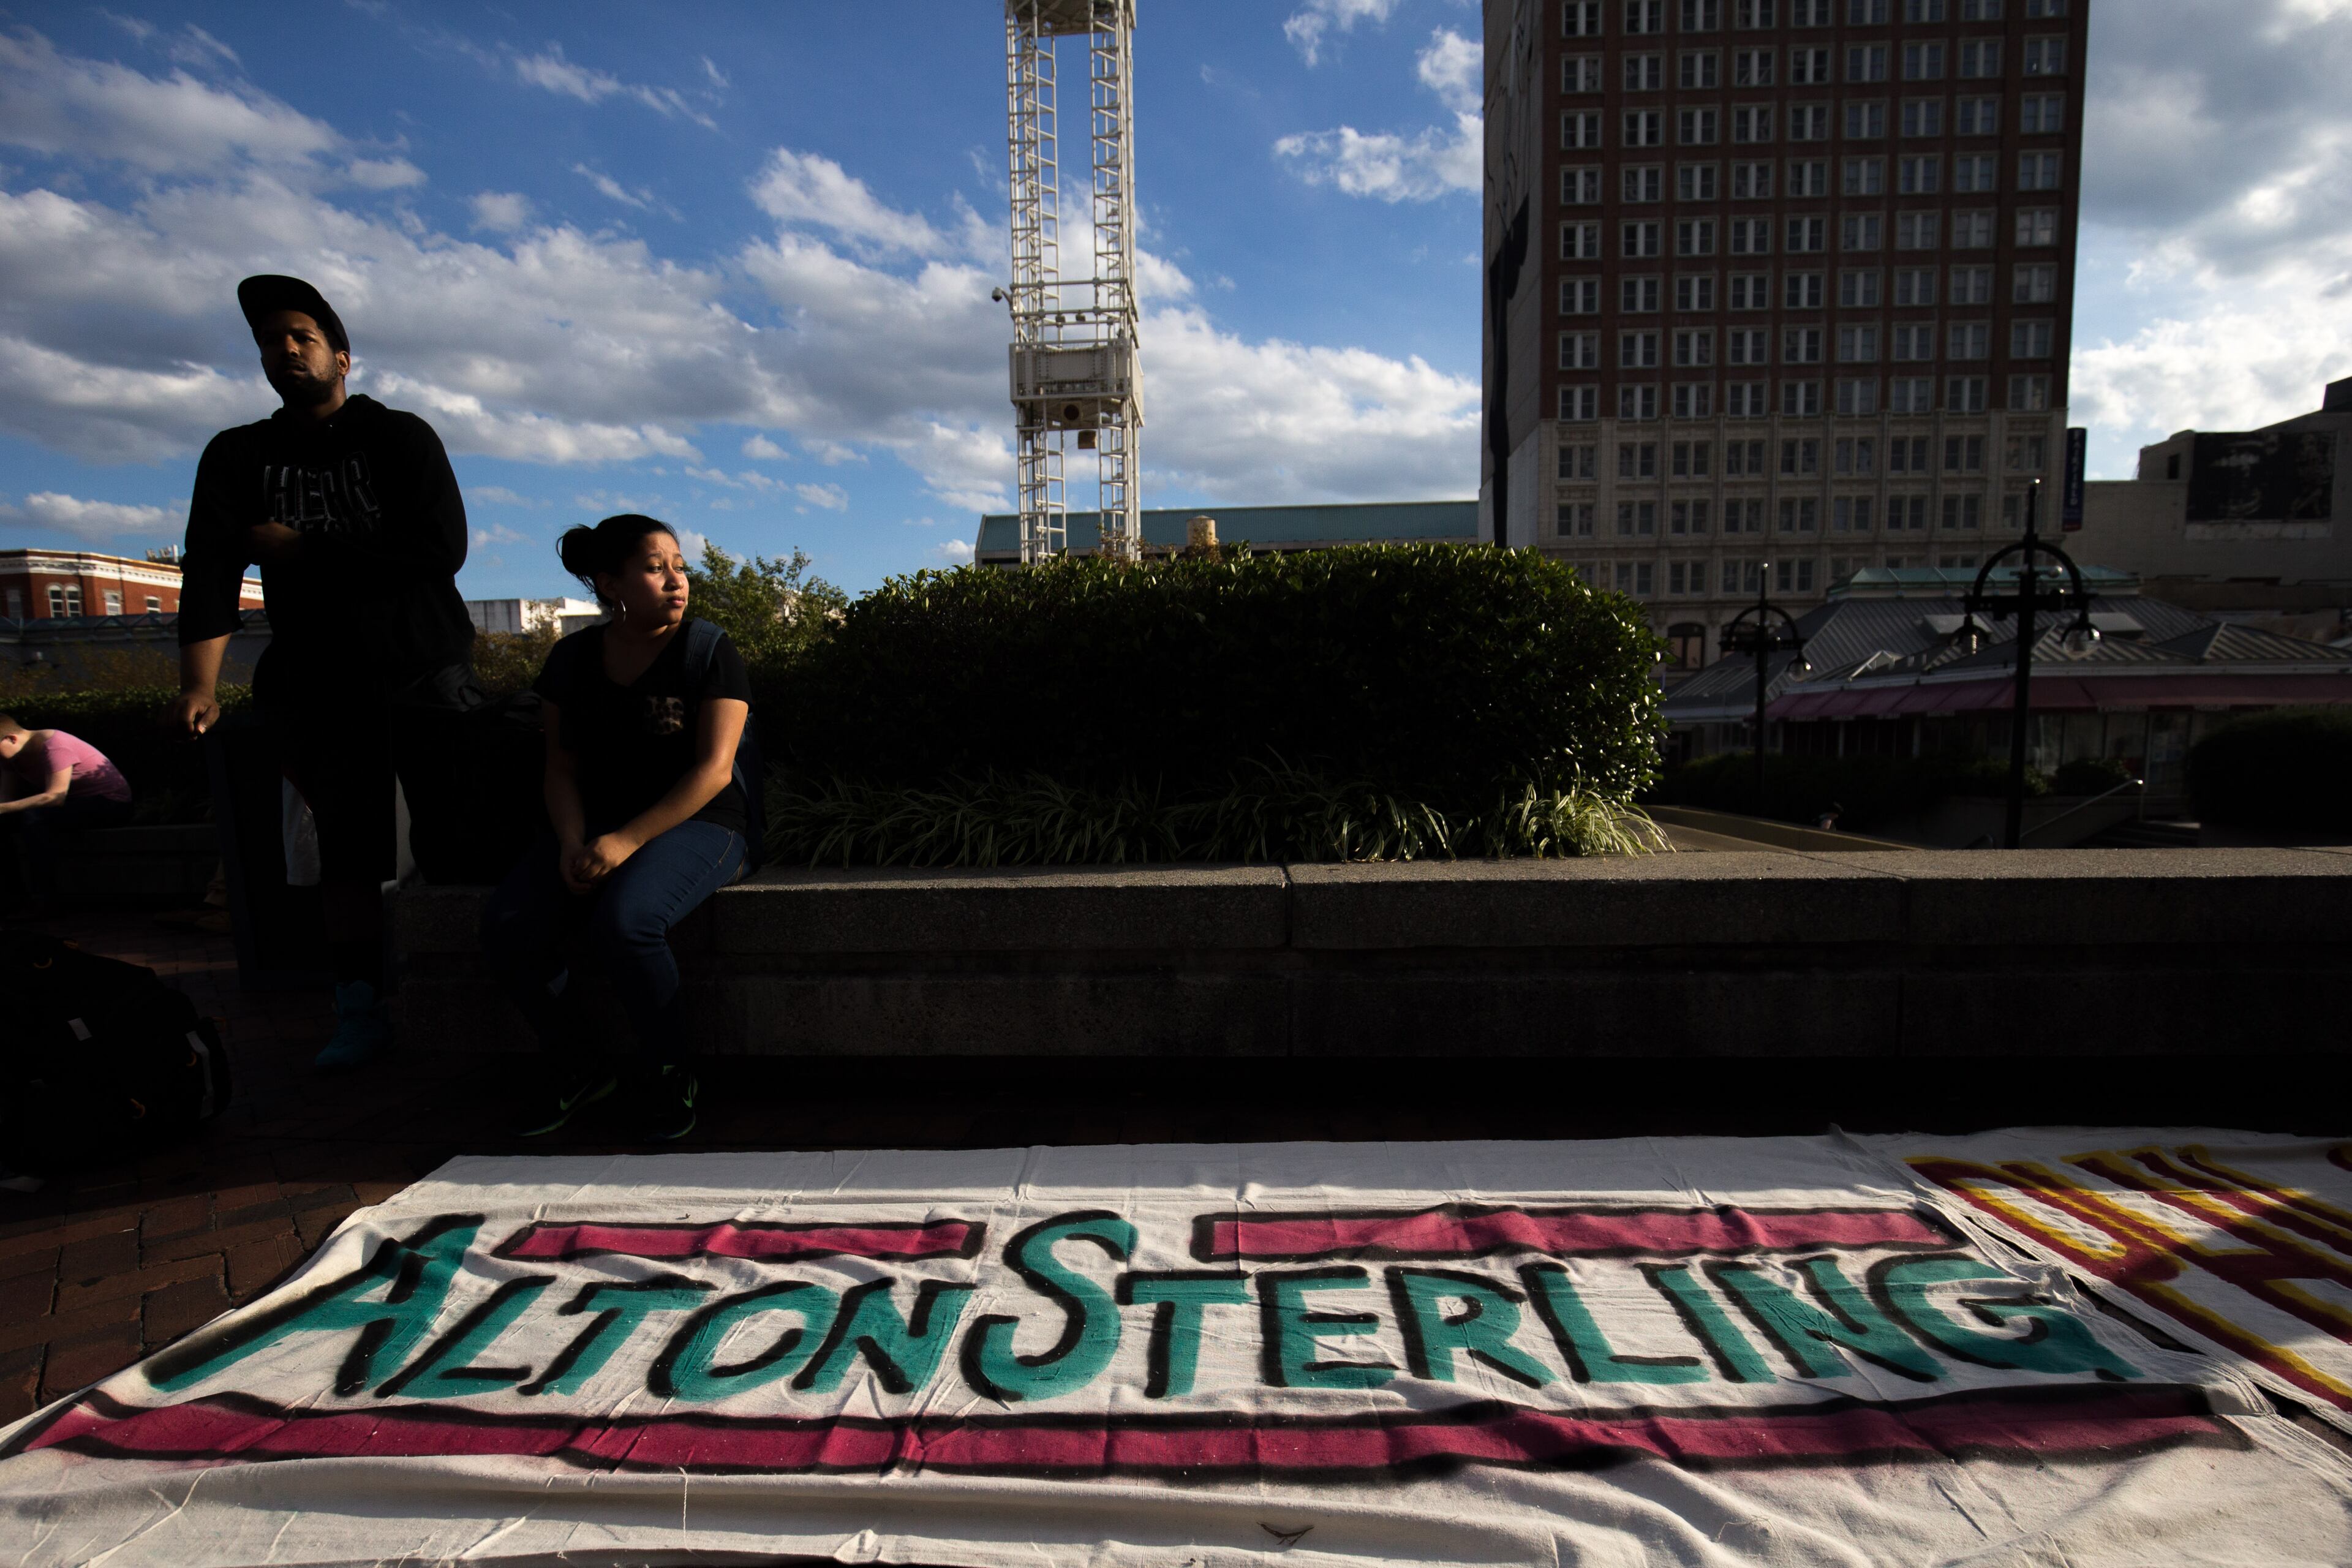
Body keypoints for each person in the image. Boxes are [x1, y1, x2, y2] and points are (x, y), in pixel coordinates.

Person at [167, 274, 476, 1072]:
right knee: (344, 854)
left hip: (423, 669)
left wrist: (307, 549)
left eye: (302, 335)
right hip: (315, 680)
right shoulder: (240, 455)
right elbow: (208, 574)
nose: (286, 349)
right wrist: (199, 687)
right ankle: (359, 1005)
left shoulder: (399, 437)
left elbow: (440, 550)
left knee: (452, 837)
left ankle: (465, 991)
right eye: (272, 340)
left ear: (343, 356)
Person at [480, 514, 753, 1142]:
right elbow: (561, 766)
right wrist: (574, 842)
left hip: (705, 825)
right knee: (507, 927)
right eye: (657, 568)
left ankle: (669, 1068)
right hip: (597, 826)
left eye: (680, 566)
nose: (677, 581)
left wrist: (625, 843)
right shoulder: (572, 659)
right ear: (611, 583)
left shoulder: (709, 650)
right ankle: (581, 1064)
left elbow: (714, 773)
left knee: (627, 923)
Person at [0, 716, 134, 908]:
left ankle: (45, 899)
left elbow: (55, 797)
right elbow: (6, 801)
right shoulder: (9, 759)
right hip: (72, 805)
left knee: (34, 819)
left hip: (111, 804)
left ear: (12, 739)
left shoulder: (54, 745)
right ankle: (12, 899)